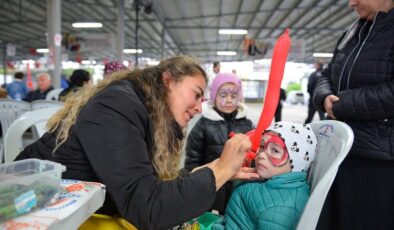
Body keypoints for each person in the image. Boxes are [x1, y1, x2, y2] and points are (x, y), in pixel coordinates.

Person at [14, 56, 258, 229]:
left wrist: (215, 168)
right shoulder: (117, 106)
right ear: (167, 80)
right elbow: (146, 207)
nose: (198, 107)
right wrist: (221, 170)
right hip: (25, 208)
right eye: (196, 94)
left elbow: (147, 185)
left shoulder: (145, 113)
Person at [313, 1, 394, 229]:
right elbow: (326, 74)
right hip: (340, 153)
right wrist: (324, 96)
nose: (351, 3)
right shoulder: (352, 31)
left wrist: (342, 105)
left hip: (378, 162)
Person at [212, 121, 317, 229]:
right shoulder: (266, 178)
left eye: (275, 150)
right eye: (262, 146)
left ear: (296, 161)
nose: (261, 154)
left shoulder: (282, 208)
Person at [184, 73, 254, 214]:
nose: (229, 100)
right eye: (223, 95)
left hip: (237, 184)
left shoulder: (247, 124)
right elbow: (193, 156)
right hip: (212, 183)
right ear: (214, 96)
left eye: (233, 96)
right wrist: (191, 182)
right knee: (209, 215)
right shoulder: (203, 124)